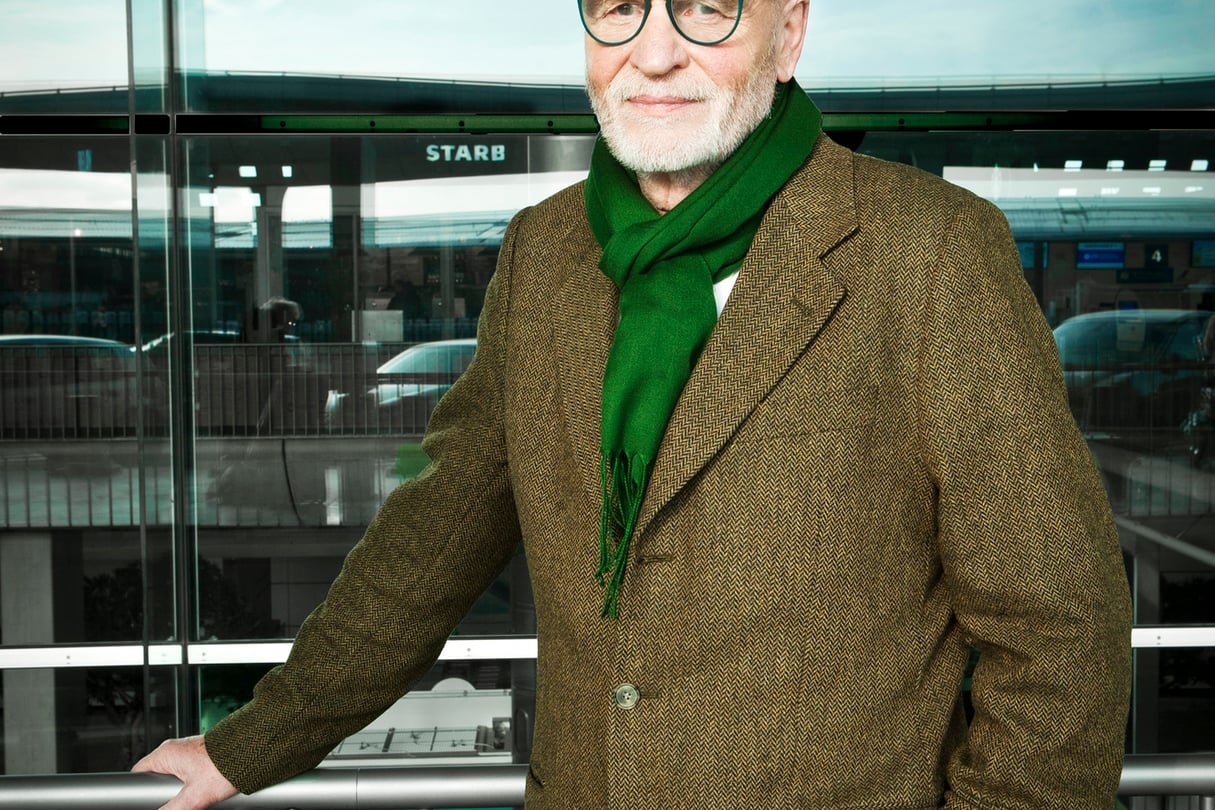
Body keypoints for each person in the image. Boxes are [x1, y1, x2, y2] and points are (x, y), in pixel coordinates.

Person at [135, 0, 1133, 807]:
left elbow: (1060, 627)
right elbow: (428, 539)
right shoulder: (545, 253)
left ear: (788, 33)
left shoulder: (931, 252)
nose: (653, 54)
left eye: (707, 9)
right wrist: (250, 745)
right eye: (618, 10)